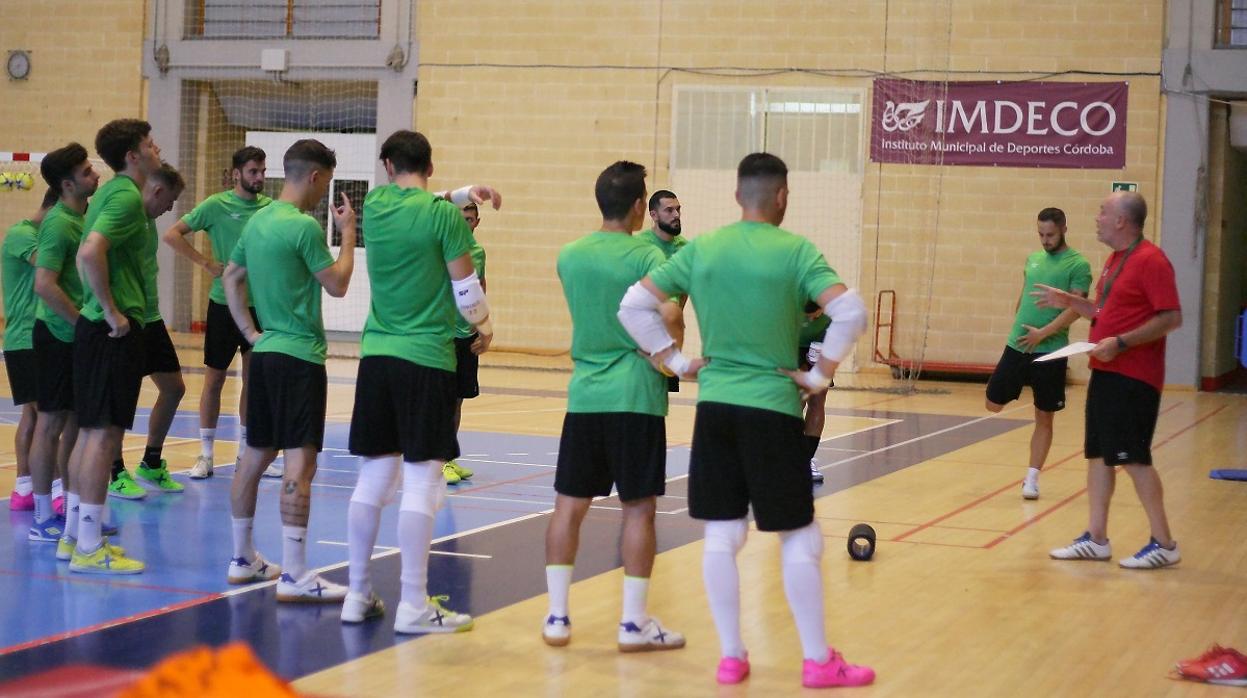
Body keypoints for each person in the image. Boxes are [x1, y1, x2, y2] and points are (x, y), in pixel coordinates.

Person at [618, 152, 874, 688]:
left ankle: (732, 657)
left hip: (715, 411)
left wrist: (676, 361)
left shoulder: (703, 249)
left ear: (738, 196)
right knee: (799, 538)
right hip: (773, 409)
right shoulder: (796, 250)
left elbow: (632, 307)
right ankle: (817, 661)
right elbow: (851, 312)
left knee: (722, 535)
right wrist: (820, 373)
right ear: (782, 196)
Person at [339, 129, 495, 633]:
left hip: (377, 357)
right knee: (424, 480)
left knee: (374, 477)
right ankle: (412, 604)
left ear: (387, 165)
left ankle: (357, 593)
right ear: (430, 163)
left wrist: (464, 192)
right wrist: (485, 325)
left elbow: (420, 196)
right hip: (426, 358)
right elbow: (467, 295)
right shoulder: (443, 217)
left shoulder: (378, 204)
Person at [541, 161, 686, 653]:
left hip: (585, 396)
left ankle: (557, 617)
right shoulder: (649, 257)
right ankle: (633, 623)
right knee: (639, 510)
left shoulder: (570, 255)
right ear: (640, 206)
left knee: (568, 507)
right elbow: (669, 313)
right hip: (636, 396)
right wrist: (673, 354)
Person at [222, 139, 355, 601]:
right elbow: (337, 285)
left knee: (254, 456)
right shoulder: (302, 227)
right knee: (301, 461)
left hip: (266, 353)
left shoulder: (257, 221)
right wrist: (349, 234)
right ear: (316, 177)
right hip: (299, 359)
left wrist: (250, 331)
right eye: (327, 183)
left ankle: (242, 559)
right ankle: (296, 574)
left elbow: (230, 278)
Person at [1036, 192, 1183, 569]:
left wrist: (1120, 343)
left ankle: (1164, 542)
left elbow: (1170, 318)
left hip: (1133, 378)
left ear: (1122, 221)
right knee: (1099, 456)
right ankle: (1096, 537)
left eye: (1104, 212)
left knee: (1133, 459)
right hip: (1105, 374)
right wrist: (1069, 300)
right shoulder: (1115, 260)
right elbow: (1102, 312)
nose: (1097, 217)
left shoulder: (1152, 260)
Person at [68, 118, 164, 574]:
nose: (156, 147)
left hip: (96, 331)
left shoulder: (110, 193)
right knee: (103, 437)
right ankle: (88, 546)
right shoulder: (125, 195)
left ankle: (75, 537)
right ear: (133, 154)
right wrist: (112, 311)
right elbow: (89, 252)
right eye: (150, 143)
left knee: (90, 435)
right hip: (111, 331)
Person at [163, 147, 275, 480]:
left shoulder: (271, 209)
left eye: (263, 171)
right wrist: (206, 263)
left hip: (261, 306)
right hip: (224, 305)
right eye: (254, 171)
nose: (260, 177)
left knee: (254, 382)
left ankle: (246, 454)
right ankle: (206, 454)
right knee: (214, 380)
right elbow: (172, 234)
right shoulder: (215, 205)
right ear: (236, 173)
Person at [985, 208, 1091, 500]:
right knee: (992, 404)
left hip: (1051, 351)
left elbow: (1076, 309)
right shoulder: (1033, 259)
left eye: (1051, 235)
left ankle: (1031, 478)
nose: (1045, 240)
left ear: (1064, 229)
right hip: (1017, 345)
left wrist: (1042, 334)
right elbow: (1025, 292)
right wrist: (1019, 316)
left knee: (1044, 416)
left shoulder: (1078, 265)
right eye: (1041, 235)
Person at [29, 143, 99, 547]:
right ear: (68, 183)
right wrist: (80, 322)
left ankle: (73, 516)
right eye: (88, 171)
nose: (96, 175)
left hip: (77, 337)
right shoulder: (57, 224)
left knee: (76, 426)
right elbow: (44, 284)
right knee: (50, 424)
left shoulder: (82, 217)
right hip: (56, 336)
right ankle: (42, 517)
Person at [107, 162, 188, 495]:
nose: (170, 208)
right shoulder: (122, 214)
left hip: (151, 317)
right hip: (128, 319)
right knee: (119, 400)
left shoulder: (148, 220)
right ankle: (115, 473)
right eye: (169, 200)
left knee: (174, 388)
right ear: (156, 191)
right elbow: (96, 258)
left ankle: (151, 463)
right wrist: (113, 312)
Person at [4, 189, 56, 511]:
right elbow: (49, 268)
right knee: (49, 416)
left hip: (35, 337)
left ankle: (24, 487)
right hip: (25, 338)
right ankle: (55, 488)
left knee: (32, 414)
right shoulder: (23, 234)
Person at [441, 202, 485, 485]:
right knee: (442, 402)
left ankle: (449, 458)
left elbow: (480, 285)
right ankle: (439, 460)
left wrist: (482, 324)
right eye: (461, 218)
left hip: (467, 336)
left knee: (457, 401)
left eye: (470, 219)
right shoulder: (442, 247)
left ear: (476, 222)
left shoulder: (479, 252)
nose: (465, 223)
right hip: (443, 336)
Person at [637, 190, 687, 395]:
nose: (676, 214)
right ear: (654, 215)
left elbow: (685, 289)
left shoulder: (685, 248)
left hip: (670, 331)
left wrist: (676, 313)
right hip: (645, 330)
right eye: (669, 210)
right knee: (641, 391)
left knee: (661, 394)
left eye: (678, 209)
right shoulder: (640, 246)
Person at [798, 302, 831, 485]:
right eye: (808, 316)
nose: (812, 319)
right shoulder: (785, 301)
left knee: (818, 396)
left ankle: (806, 459)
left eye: (817, 315)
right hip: (791, 342)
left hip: (823, 342)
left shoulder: (837, 304)